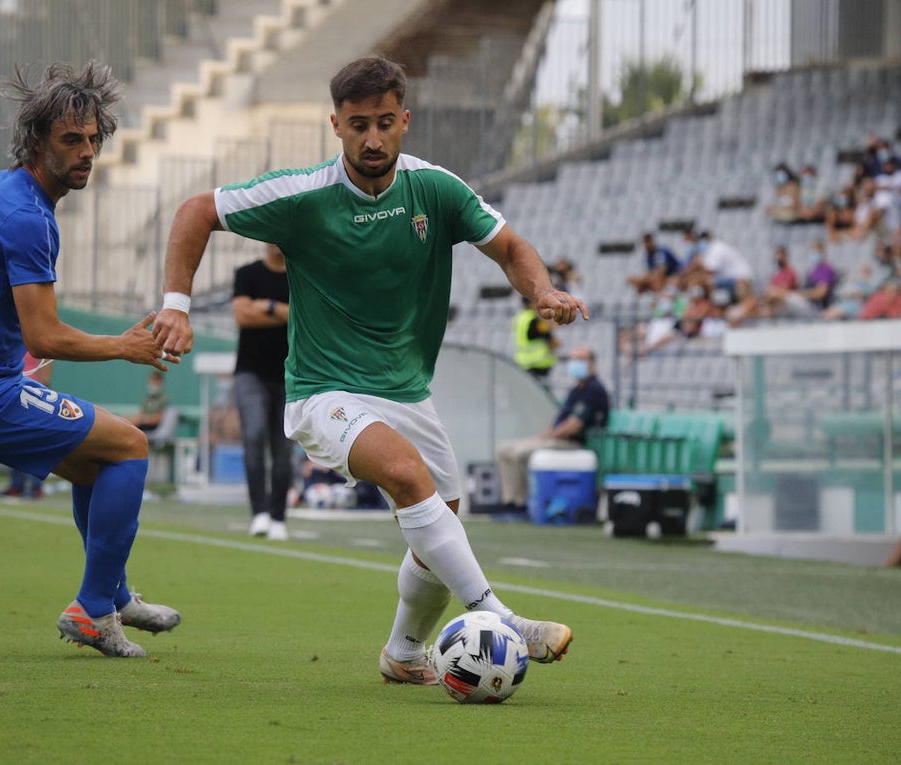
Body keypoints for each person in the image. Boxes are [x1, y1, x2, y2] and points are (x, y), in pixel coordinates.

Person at [153, 55, 584, 682]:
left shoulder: (436, 189)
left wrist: (541, 291)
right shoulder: (303, 195)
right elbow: (196, 211)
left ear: (405, 120)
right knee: (409, 478)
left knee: (439, 533)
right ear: (336, 125)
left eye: (385, 122)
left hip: (407, 391)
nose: (372, 138)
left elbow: (511, 246)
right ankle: (497, 617)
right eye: (359, 125)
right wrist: (176, 307)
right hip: (323, 390)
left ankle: (405, 654)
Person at [0, 61, 180, 658]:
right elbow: (44, 336)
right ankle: (93, 608)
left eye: (93, 140)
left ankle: (113, 594)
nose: (87, 152)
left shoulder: (3, 190)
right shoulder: (27, 216)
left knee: (98, 467)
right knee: (131, 445)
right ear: (36, 141)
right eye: (71, 140)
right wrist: (125, 347)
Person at [494, 347, 609, 513]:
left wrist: (548, 437)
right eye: (572, 360)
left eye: (580, 360)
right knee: (503, 450)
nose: (575, 364)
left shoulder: (593, 389)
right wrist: (542, 436)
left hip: (573, 443)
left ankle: (519, 504)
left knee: (519, 453)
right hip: (556, 439)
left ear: (592, 363)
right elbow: (558, 421)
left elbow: (573, 426)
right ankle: (509, 500)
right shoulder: (577, 389)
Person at [232, 242, 294, 541]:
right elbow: (242, 316)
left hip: (290, 376)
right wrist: (283, 311)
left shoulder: (300, 276)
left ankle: (279, 516)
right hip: (250, 374)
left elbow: (304, 318)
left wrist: (265, 306)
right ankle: (259, 513)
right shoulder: (247, 274)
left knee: (283, 449)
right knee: (253, 436)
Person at [0, 351, 52, 498]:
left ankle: (36, 486)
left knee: (35, 441)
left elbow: (46, 365)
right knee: (14, 440)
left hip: (32, 393)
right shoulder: (14, 339)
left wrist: (42, 389)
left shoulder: (37, 339)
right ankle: (16, 485)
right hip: (13, 391)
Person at [512, 294, 559, 383]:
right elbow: (553, 343)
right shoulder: (536, 320)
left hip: (523, 363)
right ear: (532, 303)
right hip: (538, 365)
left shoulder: (520, 318)